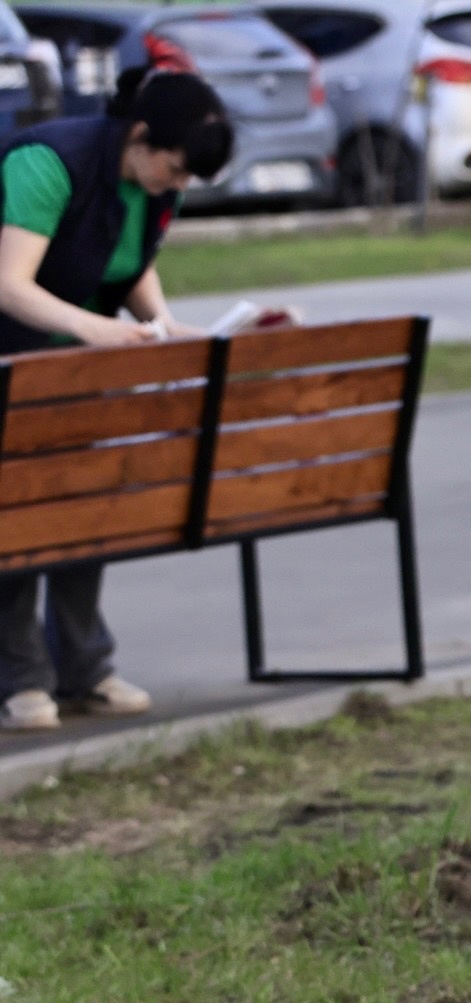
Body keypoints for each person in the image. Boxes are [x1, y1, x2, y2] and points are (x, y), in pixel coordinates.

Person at [0, 68, 232, 734]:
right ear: (138, 137)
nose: (178, 185)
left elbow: (127, 261)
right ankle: (18, 677)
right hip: (16, 357)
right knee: (19, 512)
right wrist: (97, 329)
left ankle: (84, 667)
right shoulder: (48, 163)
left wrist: (171, 328)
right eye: (175, 168)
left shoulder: (153, 183)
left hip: (74, 371)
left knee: (84, 507)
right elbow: (10, 284)